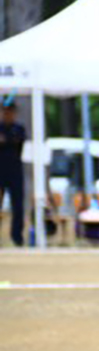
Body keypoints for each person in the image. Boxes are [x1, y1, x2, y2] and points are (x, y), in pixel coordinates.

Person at [0, 100, 27, 246]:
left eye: (10, 111)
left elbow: (19, 142)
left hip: (15, 172)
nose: (7, 114)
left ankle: (17, 237)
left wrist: (6, 140)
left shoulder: (19, 128)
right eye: (5, 111)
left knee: (18, 205)